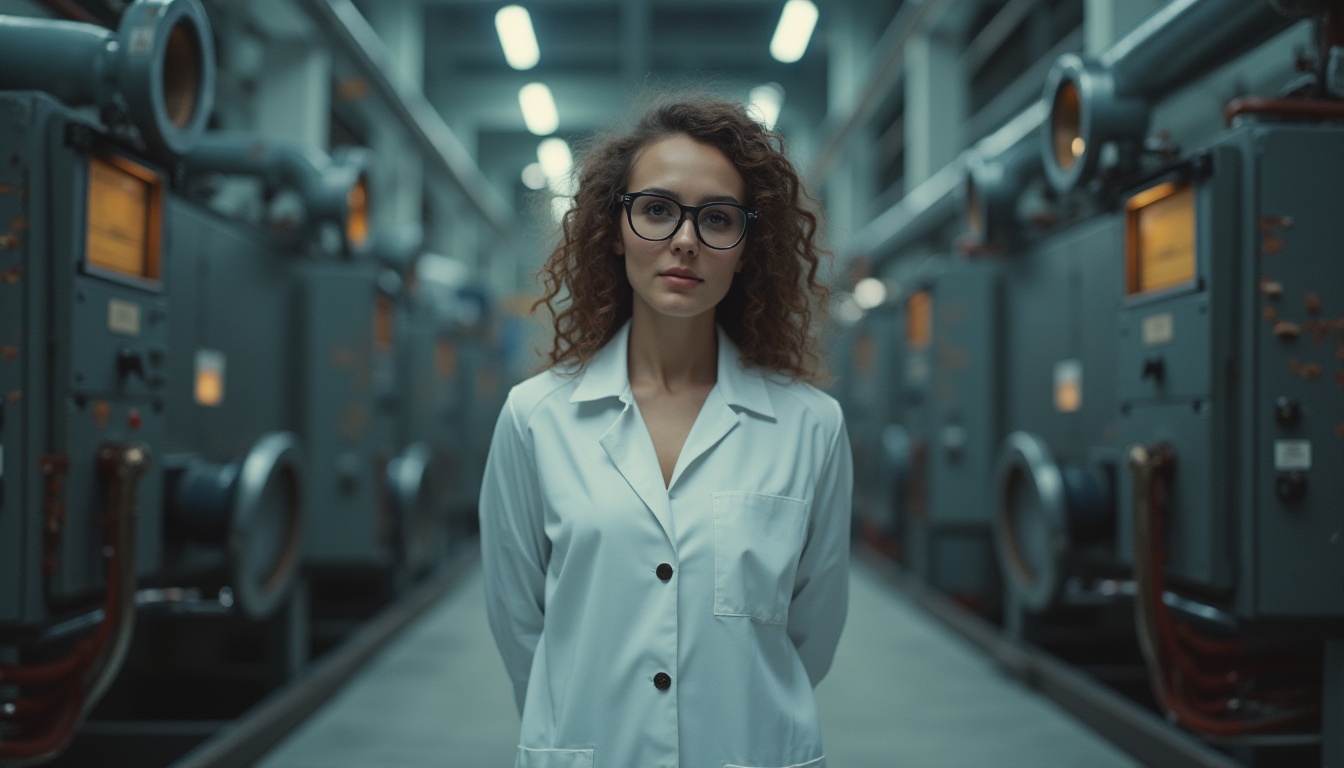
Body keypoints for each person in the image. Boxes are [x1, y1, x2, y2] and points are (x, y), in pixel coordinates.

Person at [479, 95, 853, 768]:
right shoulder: (536, 418)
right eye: (657, 210)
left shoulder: (810, 427)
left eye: (716, 219)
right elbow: (520, 628)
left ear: (747, 249)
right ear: (614, 228)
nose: (685, 239)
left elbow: (812, 634)